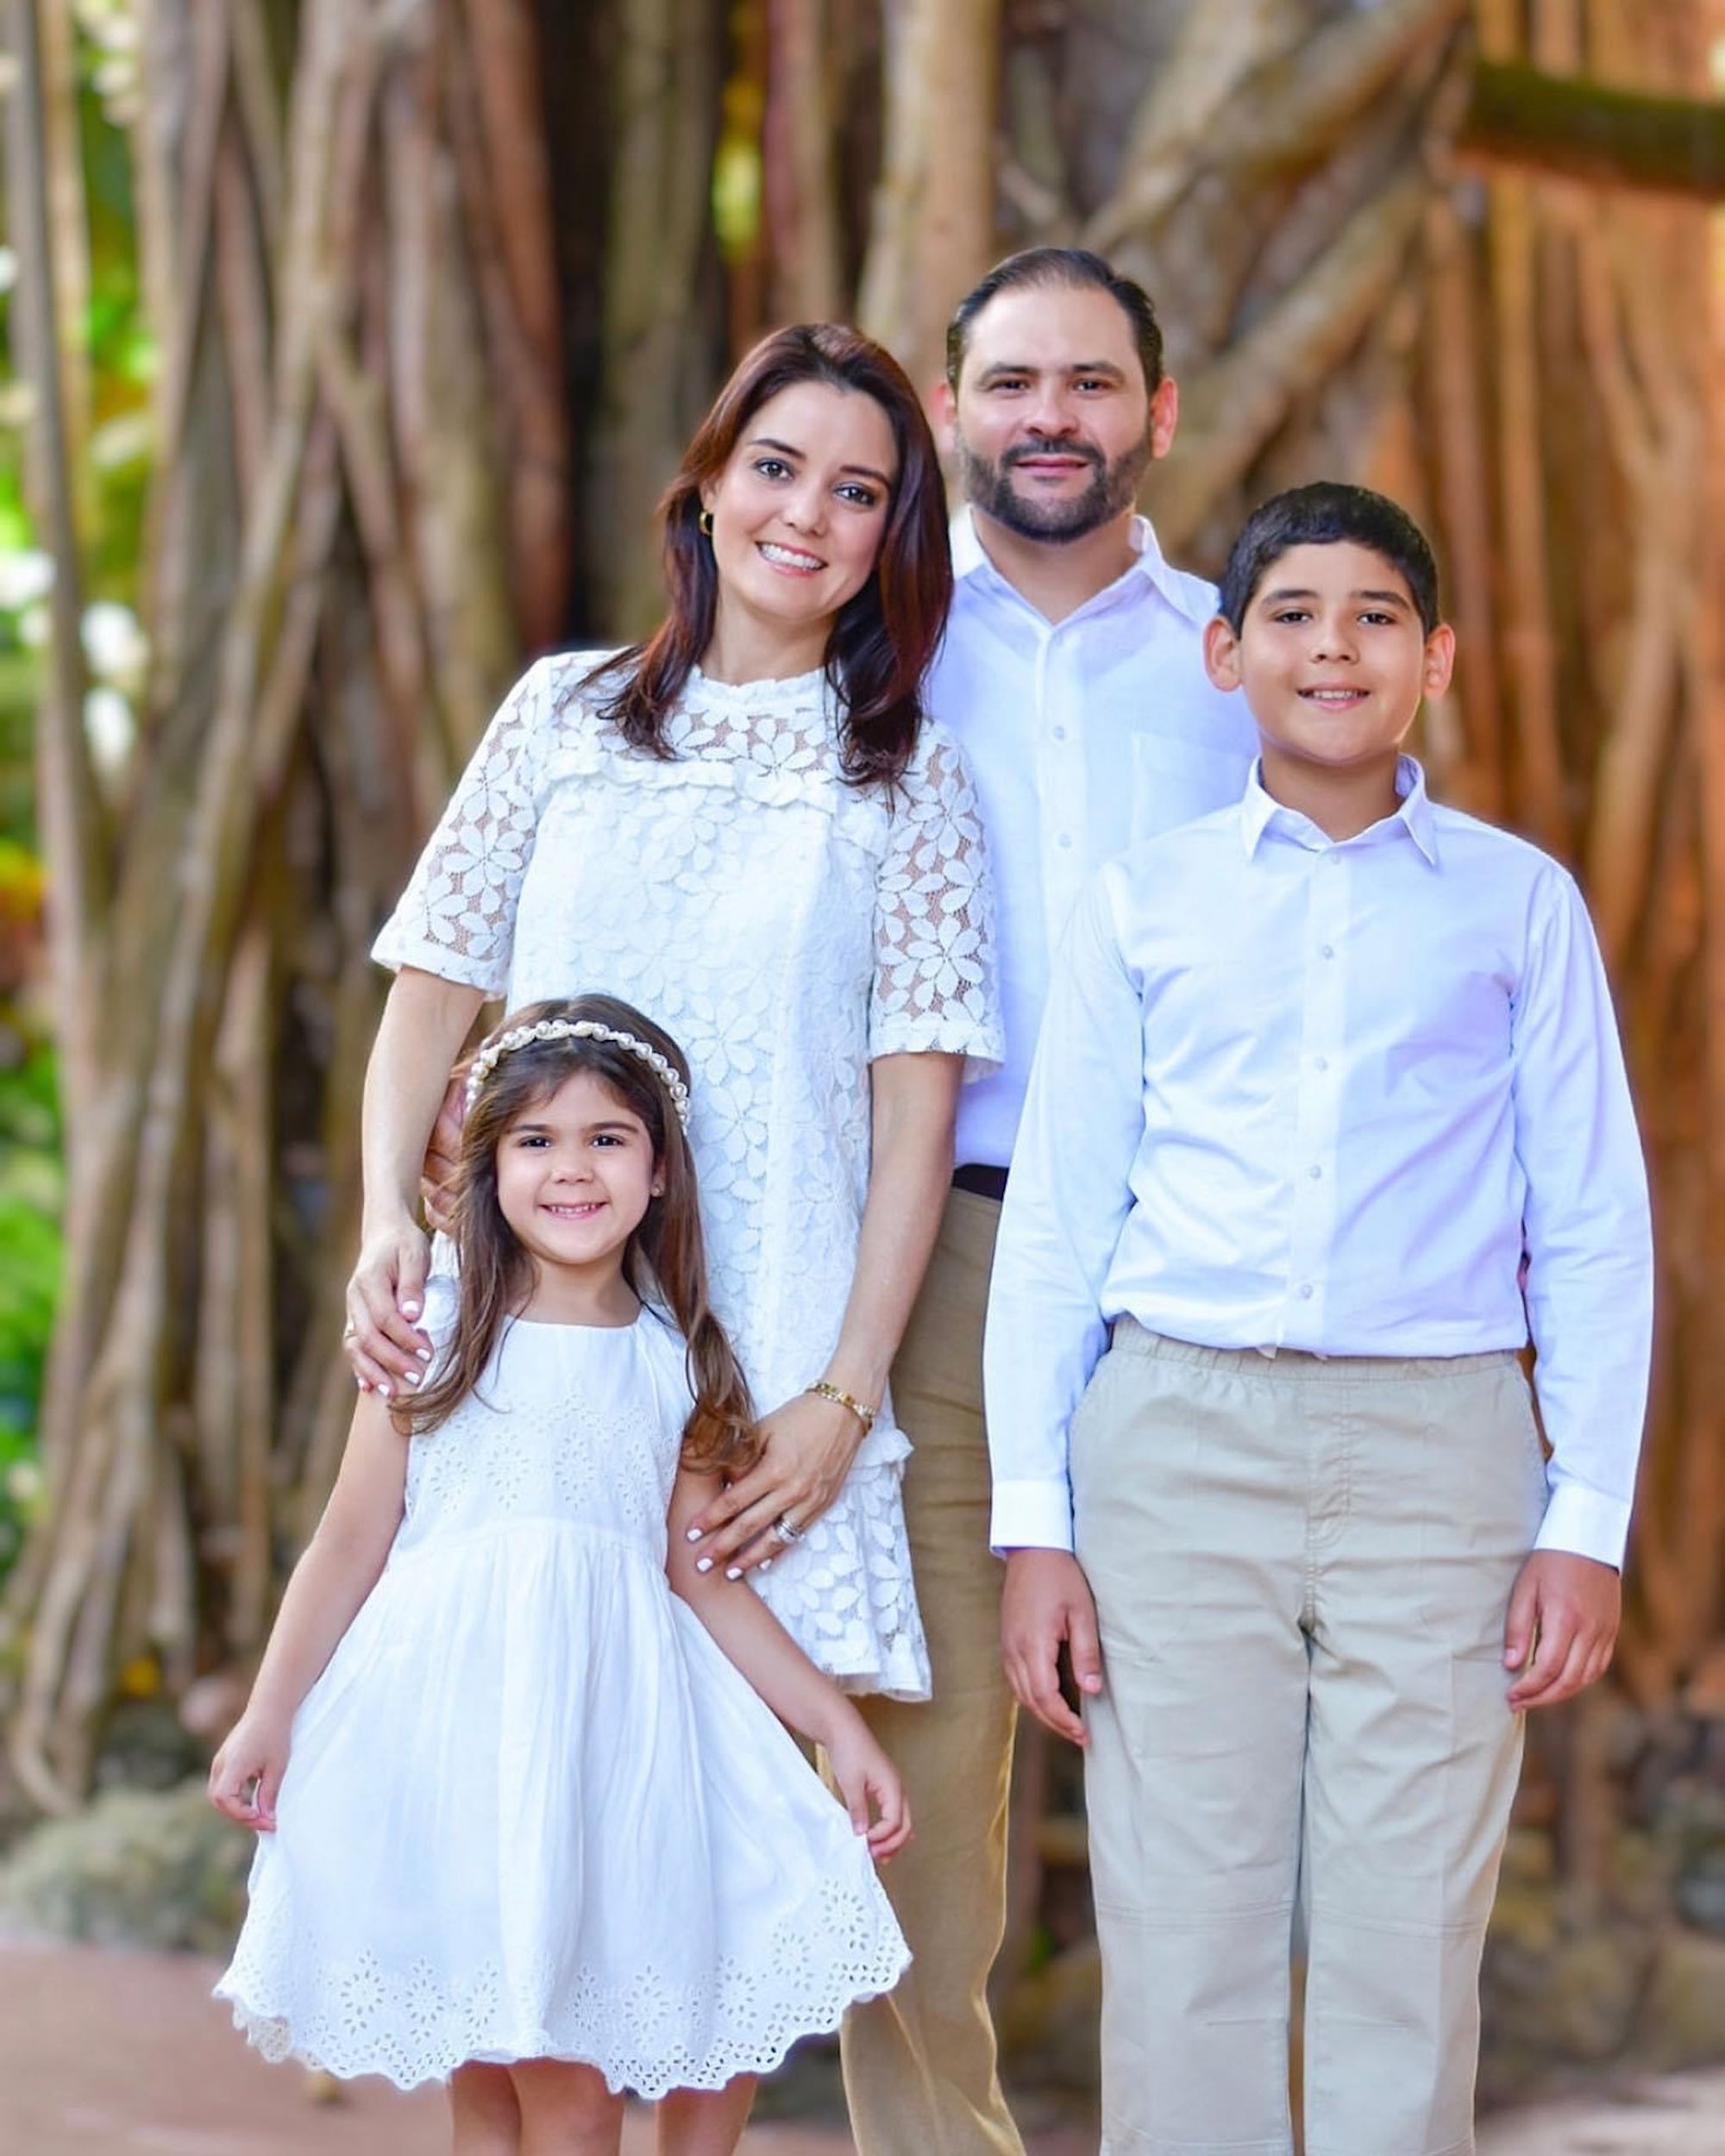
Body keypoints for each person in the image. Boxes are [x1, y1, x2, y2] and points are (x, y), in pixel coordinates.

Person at [342, 323, 998, 2142]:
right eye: (776, 466)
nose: (807, 513)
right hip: (536, 1339)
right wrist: (391, 1219)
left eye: (857, 490)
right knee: (524, 1840)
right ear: (707, 485)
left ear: (890, 535)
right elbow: (429, 990)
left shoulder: (909, 777)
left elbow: (915, 1117)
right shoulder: (562, 714)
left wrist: (842, 1394)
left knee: (729, 1879)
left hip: (767, 1371)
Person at [985, 483, 1653, 2156]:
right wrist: (1033, 1520)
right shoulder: (1144, 901)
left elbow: (1590, 1225)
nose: (1332, 646)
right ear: (1225, 655)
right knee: (1180, 1932)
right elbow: (1059, 1221)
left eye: (1374, 616)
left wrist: (1584, 1518)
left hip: (1442, 1451)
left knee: (1407, 1946)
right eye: (1291, 613)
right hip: (1174, 1439)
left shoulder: (1517, 903)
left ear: (1436, 657)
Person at [788, 248, 1259, 2156]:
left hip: (1200, 1272)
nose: (1048, 417)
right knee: (917, 1810)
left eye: (1089, 382)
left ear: (1159, 409)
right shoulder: (862, 650)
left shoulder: (1252, 652)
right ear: (948, 410)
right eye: (1009, 383)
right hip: (939, 1256)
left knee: (1216, 1797)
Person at [210, 996, 912, 2155]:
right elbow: (348, 1540)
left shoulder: (676, 1361)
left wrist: (836, 1727)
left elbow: (704, 1577)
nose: (572, 1168)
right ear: (487, 1165)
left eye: (607, 1139)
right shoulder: (432, 1331)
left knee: (579, 2079)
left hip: (606, 1738)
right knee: (503, 2092)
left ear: (659, 1171)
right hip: (454, 1739)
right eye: (536, 1139)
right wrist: (269, 1714)